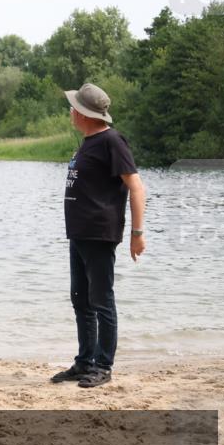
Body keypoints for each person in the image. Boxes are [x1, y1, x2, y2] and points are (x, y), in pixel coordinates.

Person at [51, 83, 146, 388]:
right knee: (80, 299)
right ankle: (84, 362)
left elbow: (136, 186)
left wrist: (137, 233)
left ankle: (103, 366)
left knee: (101, 301)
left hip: (99, 234)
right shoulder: (88, 142)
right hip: (79, 234)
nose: (70, 110)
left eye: (74, 107)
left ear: (85, 114)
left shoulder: (112, 141)